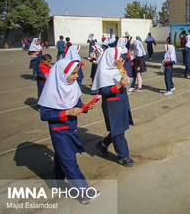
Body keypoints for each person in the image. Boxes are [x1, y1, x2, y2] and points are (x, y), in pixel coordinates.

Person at [38, 59, 100, 205]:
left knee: (63, 157)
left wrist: (84, 107)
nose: (76, 76)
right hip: (59, 131)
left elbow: (76, 103)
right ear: (62, 74)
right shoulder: (51, 90)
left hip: (71, 128)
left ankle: (56, 182)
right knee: (69, 161)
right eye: (73, 73)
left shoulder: (72, 86)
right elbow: (45, 115)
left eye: (76, 72)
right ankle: (83, 193)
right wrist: (67, 112)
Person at [92, 47, 135, 167]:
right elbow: (104, 92)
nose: (121, 59)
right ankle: (123, 156)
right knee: (118, 131)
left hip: (122, 102)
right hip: (112, 106)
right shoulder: (103, 72)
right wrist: (119, 85)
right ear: (112, 58)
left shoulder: (118, 69)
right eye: (119, 57)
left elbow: (127, 81)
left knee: (118, 128)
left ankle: (102, 145)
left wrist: (121, 69)